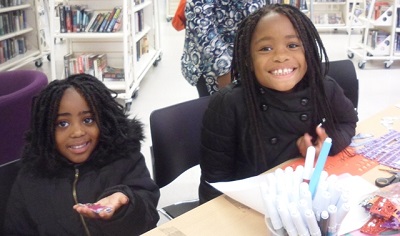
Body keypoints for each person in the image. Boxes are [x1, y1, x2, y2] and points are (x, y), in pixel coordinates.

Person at [199, 4, 358, 203]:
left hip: (307, 196)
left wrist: (327, 143)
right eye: (266, 48)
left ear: (308, 50)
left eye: (292, 45)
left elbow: (348, 122)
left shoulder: (324, 88)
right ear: (248, 59)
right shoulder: (228, 104)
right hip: (252, 205)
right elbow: (214, 183)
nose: (281, 56)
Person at [4, 74, 160, 235]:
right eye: (62, 124)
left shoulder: (124, 159)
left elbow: (148, 215)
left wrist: (125, 205)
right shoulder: (31, 179)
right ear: (46, 130)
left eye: (88, 120)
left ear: (104, 121)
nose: (77, 132)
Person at [181, 0, 265, 97]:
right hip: (213, 65)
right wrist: (224, 71)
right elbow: (201, 28)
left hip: (248, 59)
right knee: (221, 106)